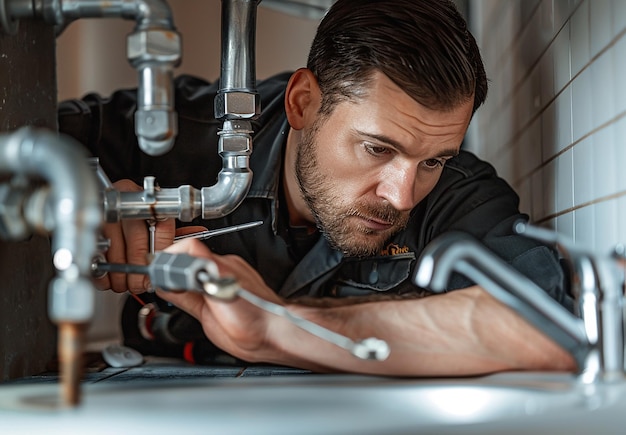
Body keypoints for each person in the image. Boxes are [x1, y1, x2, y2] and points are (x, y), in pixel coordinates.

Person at [58, 0, 576, 375]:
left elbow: (551, 327)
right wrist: (87, 191)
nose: (402, 195)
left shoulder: (458, 192)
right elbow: (29, 137)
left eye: (433, 160)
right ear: (303, 102)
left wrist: (279, 327)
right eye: (377, 149)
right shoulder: (175, 135)